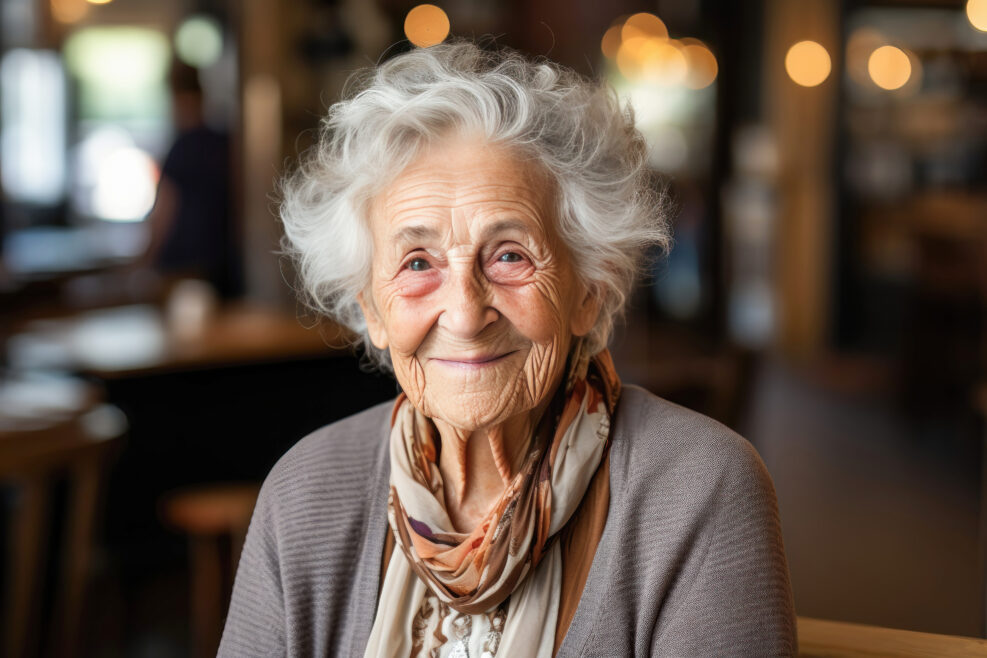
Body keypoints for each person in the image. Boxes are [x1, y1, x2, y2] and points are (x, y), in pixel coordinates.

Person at [219, 41, 797, 657]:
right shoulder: (306, 493)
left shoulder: (698, 489)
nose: (466, 313)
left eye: (510, 256)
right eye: (418, 262)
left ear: (589, 293)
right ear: (371, 309)